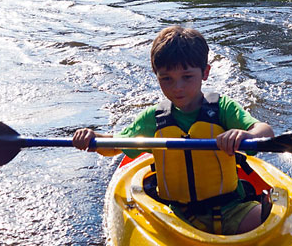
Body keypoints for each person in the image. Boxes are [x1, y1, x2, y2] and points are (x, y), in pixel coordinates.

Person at [72, 26, 275, 234]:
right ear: (157, 76)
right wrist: (93, 140)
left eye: (187, 77)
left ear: (205, 73)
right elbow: (115, 147)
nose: (177, 87)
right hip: (173, 214)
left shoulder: (223, 109)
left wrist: (247, 135)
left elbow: (265, 132)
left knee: (268, 222)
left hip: (231, 210)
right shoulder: (153, 119)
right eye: (166, 78)